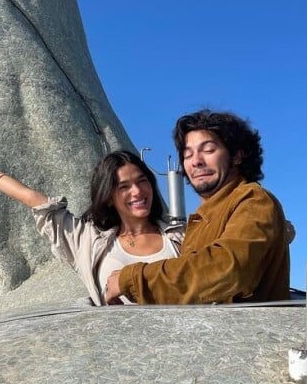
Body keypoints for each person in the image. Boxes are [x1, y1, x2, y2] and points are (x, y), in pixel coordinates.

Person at [105, 109, 291, 305]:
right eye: (187, 154)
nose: (196, 161)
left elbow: (226, 269)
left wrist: (131, 279)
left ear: (237, 155)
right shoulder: (202, 220)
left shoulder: (254, 201)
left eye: (208, 150)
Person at [0, 146, 185, 305]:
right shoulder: (87, 240)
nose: (137, 191)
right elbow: (35, 200)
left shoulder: (179, 237)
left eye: (142, 181)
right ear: (108, 196)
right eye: (123, 187)